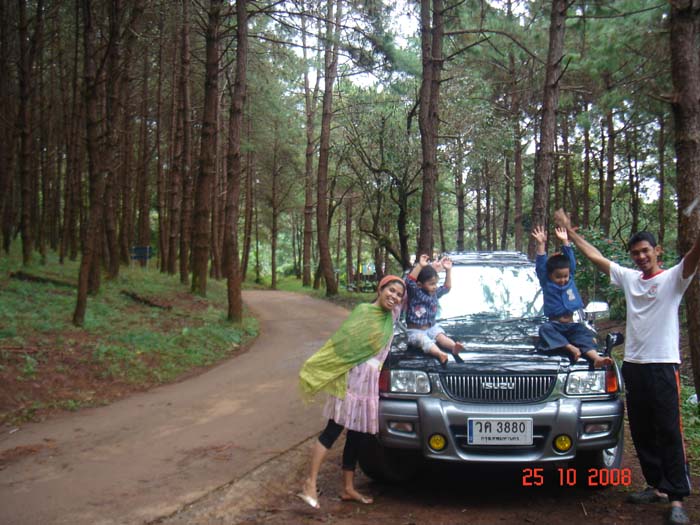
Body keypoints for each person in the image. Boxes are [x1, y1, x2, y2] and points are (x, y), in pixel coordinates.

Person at [554, 207, 700, 525]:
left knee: (669, 429)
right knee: (643, 430)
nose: (641, 257)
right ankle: (656, 486)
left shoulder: (673, 279)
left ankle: (676, 497)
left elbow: (693, 256)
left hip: (663, 365)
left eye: (646, 251)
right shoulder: (631, 279)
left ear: (657, 251)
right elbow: (596, 257)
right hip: (634, 364)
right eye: (636, 253)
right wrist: (570, 231)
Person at [297, 275, 406, 509]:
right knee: (333, 430)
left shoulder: (391, 317)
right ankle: (310, 483)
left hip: (369, 384)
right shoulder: (364, 312)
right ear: (380, 288)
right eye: (391, 290)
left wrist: (427, 266)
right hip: (353, 380)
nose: (394, 296)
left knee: (356, 435)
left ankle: (348, 488)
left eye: (399, 294)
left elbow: (413, 285)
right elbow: (344, 344)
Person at [531, 225, 613, 368]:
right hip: (555, 326)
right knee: (545, 329)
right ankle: (570, 347)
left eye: (565, 276)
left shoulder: (570, 280)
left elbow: (571, 262)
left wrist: (565, 241)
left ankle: (596, 358)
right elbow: (541, 266)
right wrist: (541, 244)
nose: (563, 280)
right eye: (558, 277)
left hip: (572, 325)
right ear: (550, 275)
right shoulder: (547, 283)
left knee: (585, 335)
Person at [404, 254, 463, 364]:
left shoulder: (434, 293)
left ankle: (453, 347)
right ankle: (439, 353)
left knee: (441, 337)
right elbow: (409, 282)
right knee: (424, 341)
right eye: (431, 284)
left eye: (435, 283)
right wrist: (420, 265)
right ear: (420, 285)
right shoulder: (415, 293)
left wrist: (448, 270)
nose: (435, 286)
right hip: (415, 331)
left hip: (432, 327)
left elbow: (447, 288)